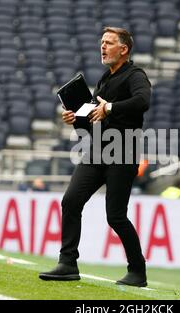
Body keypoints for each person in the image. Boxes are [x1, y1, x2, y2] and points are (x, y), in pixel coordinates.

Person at [39, 27, 151, 287]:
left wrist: (109, 107)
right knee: (71, 201)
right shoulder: (104, 79)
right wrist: (75, 119)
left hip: (123, 152)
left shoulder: (136, 75)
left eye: (109, 43)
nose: (102, 47)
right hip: (97, 151)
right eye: (101, 42)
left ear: (123, 49)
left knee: (115, 217)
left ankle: (138, 270)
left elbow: (143, 101)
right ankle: (67, 263)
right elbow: (90, 125)